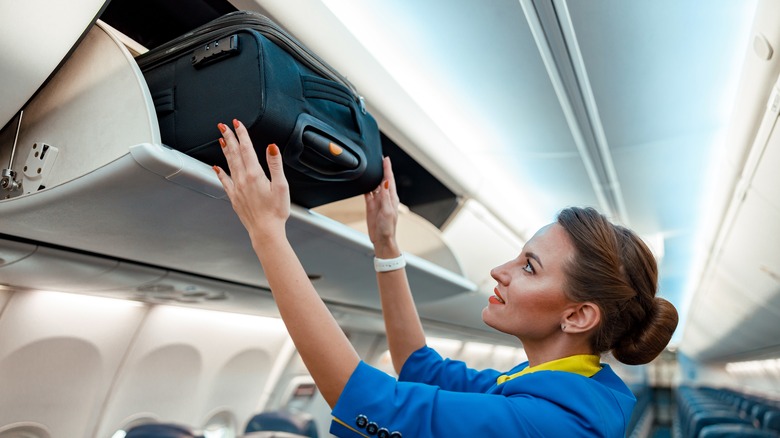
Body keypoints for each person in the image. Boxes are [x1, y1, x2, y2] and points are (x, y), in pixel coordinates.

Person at [213, 119, 679, 437]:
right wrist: (387, 246)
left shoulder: (552, 420)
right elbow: (419, 366)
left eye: (529, 267)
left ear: (578, 316)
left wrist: (268, 233)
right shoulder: (551, 382)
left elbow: (365, 398)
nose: (500, 271)